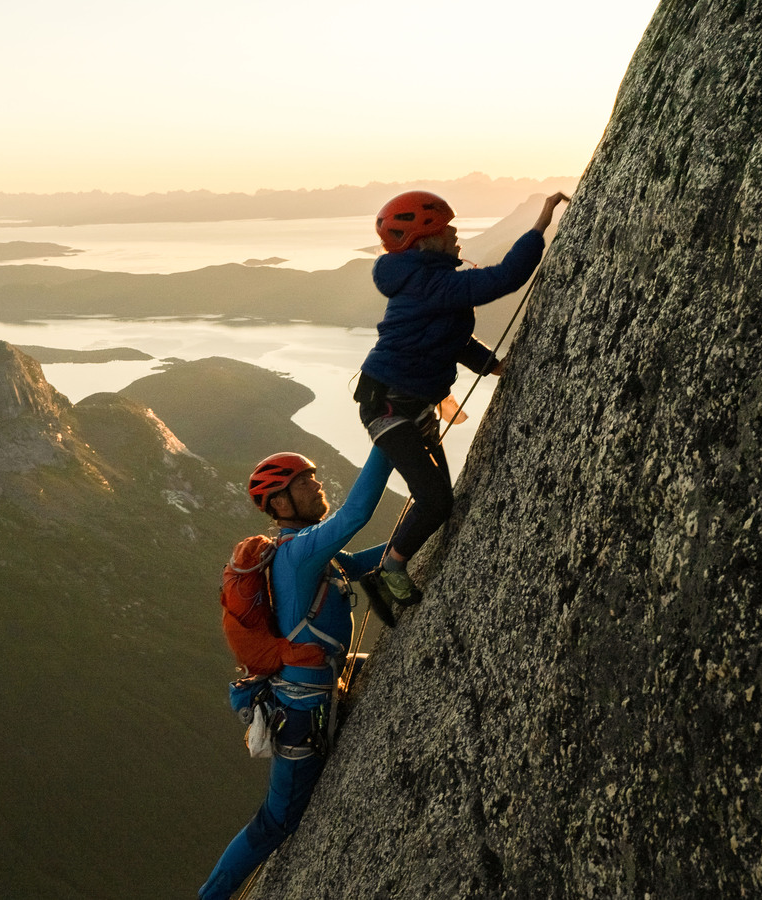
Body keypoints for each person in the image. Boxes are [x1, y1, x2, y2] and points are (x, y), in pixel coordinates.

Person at [356, 189, 570, 604]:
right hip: (390, 409)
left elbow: (449, 336)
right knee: (435, 502)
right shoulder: (428, 282)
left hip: (408, 406)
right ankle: (388, 571)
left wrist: (492, 366)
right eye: (446, 228)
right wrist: (540, 225)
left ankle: (386, 565)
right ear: (425, 239)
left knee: (442, 500)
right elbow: (503, 278)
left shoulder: (429, 281)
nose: (456, 234)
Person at [198, 447, 393, 900]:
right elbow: (357, 512)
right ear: (281, 504)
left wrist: (431, 517)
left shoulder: (307, 554)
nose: (317, 484)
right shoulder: (298, 555)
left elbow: (361, 563)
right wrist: (390, 438)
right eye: (304, 481)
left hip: (310, 704)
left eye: (312, 477)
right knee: (276, 822)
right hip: (301, 719)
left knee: (278, 818)